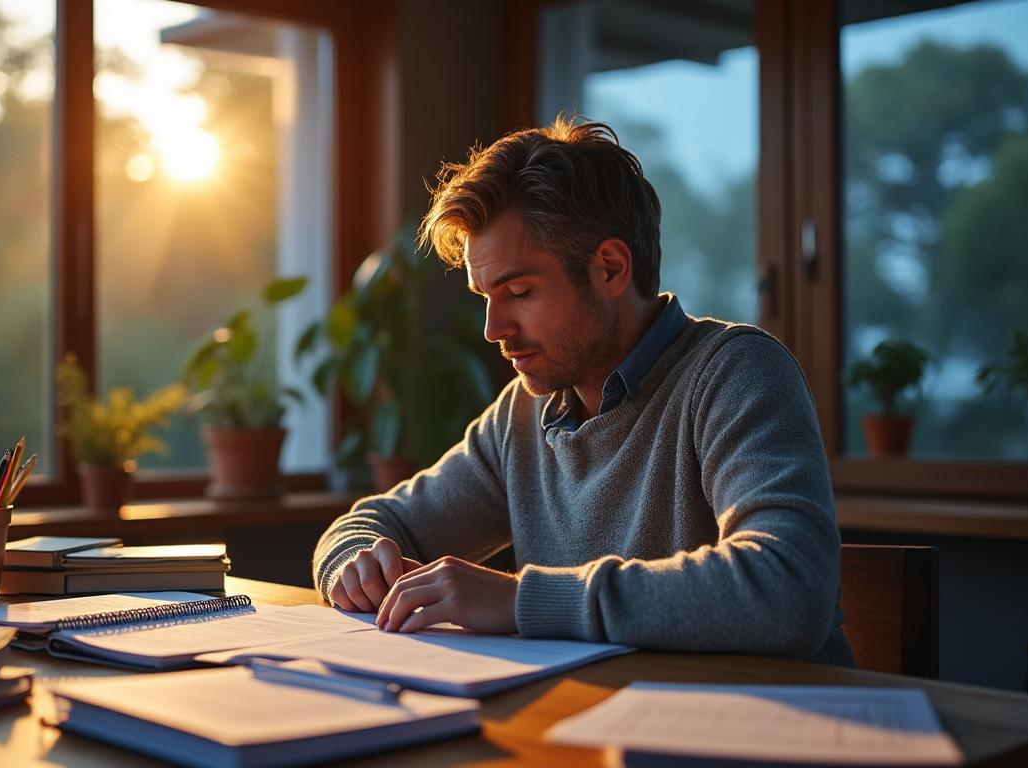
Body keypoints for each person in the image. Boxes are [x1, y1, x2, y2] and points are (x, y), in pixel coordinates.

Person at [312, 117, 854, 665]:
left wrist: (524, 599)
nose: (492, 329)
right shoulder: (522, 416)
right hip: (602, 727)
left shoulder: (736, 372)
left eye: (519, 291)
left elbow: (788, 589)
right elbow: (374, 523)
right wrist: (355, 562)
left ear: (611, 268)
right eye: (485, 297)